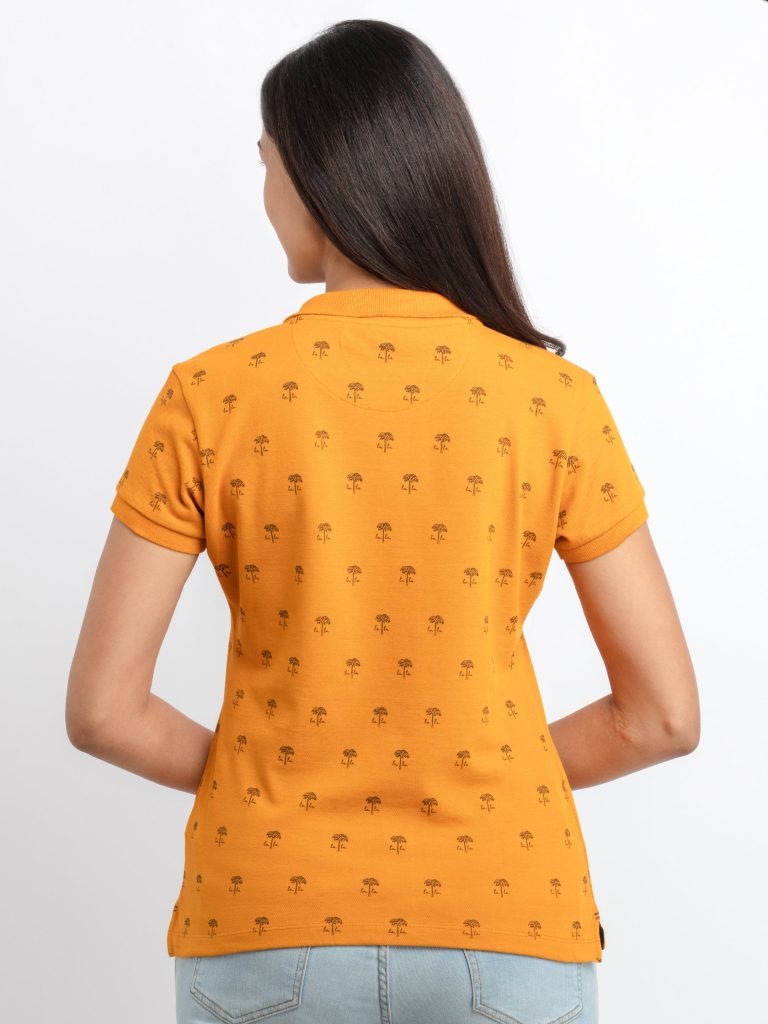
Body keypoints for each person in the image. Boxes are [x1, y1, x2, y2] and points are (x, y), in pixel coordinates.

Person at [65, 17, 700, 1024]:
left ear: (320, 174)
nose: (264, 195)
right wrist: (490, 780)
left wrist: (264, 787)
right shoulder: (554, 401)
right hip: (509, 915)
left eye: (267, 164)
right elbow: (661, 716)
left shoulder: (211, 396)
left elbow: (103, 710)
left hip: (266, 916)